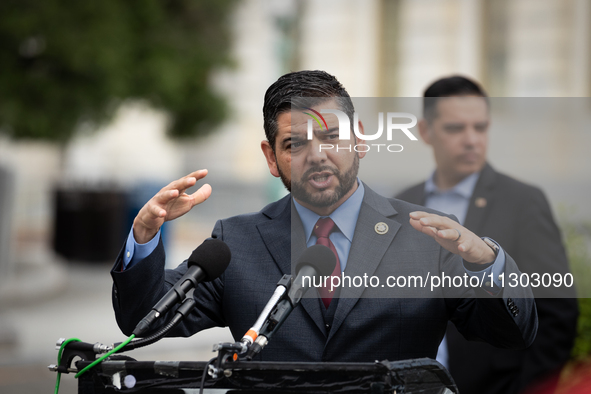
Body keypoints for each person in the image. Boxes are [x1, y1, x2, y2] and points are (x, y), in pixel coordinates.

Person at [111, 70, 537, 364]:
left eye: (332, 136)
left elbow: (512, 335)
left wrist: (486, 261)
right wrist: (145, 236)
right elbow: (145, 320)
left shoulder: (428, 234)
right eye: (296, 143)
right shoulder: (234, 242)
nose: (318, 154)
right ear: (271, 158)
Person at [396, 76, 578, 394]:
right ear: (426, 131)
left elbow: (557, 311)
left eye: (480, 127)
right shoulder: (401, 204)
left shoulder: (523, 201)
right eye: (456, 128)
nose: (472, 140)